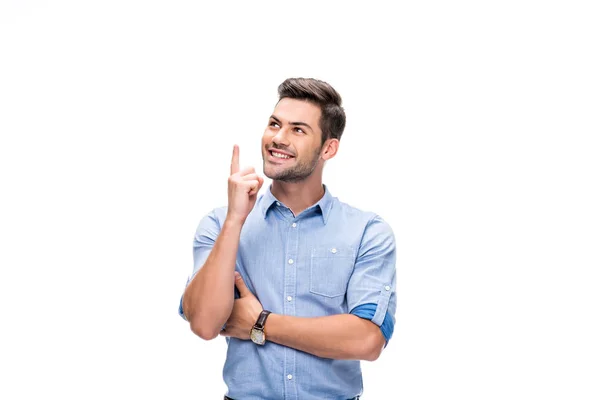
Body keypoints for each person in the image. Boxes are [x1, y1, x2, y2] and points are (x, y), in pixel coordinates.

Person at [178, 77, 397, 400]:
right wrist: (235, 220)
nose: (278, 138)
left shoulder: (367, 232)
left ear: (328, 148)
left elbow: (366, 341)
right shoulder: (219, 224)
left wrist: (260, 323)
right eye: (274, 124)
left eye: (298, 129)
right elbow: (204, 324)